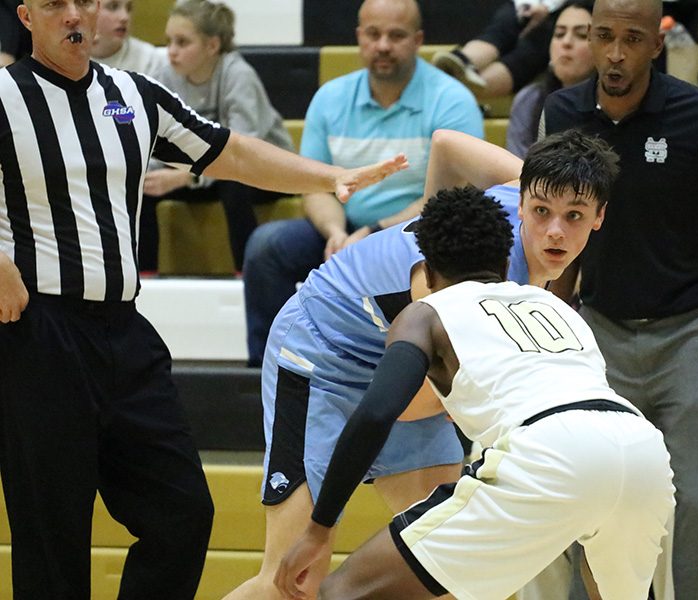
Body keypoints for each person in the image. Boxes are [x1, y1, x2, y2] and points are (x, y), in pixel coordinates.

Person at [0, 0, 406, 597]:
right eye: (56, 3)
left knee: (182, 513)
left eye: (84, 0)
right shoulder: (5, 96)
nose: (74, 14)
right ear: (27, 14)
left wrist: (324, 177)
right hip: (38, 334)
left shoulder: (132, 93)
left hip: (124, 332)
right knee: (52, 536)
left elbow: (231, 150)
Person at [223, 128, 620, 600]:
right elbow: (402, 405)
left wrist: (436, 217)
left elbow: (448, 144)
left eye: (574, 215)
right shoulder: (456, 288)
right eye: (542, 212)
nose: (556, 228)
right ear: (522, 203)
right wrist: (435, 236)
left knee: (449, 571)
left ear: (598, 215)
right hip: (320, 353)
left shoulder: (546, 188)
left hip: (401, 360)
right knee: (291, 582)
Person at [271, 186, 676, 600]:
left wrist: (319, 529)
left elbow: (377, 414)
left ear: (426, 271)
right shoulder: (552, 305)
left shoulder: (426, 313)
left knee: (342, 592)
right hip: (643, 451)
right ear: (506, 261)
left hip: (549, 453)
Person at [541, 0, 698, 598]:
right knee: (590, 496)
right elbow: (557, 238)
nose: (615, 54)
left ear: (656, 44)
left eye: (631, 39)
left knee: (697, 500)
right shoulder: (561, 113)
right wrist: (551, 332)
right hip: (601, 333)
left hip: (694, 333)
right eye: (604, 37)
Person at [241, 0, 483, 367]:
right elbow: (316, 184)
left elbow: (451, 196)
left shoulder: (452, 100)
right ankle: (269, 367)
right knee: (266, 248)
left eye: (396, 35)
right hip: (345, 229)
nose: (383, 45)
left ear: (418, 40)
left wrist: (373, 232)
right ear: (359, 37)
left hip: (417, 234)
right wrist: (335, 231)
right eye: (373, 34)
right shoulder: (330, 98)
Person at [139, 0, 295, 271]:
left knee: (233, 180)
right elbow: (153, 140)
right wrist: (146, 172)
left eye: (182, 42)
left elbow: (241, 153)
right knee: (144, 184)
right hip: (203, 174)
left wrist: (185, 176)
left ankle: (246, 274)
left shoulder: (239, 75)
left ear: (212, 46)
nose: (171, 51)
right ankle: (146, 275)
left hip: (262, 173)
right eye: (169, 41)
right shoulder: (165, 76)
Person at [506, 0, 595, 158]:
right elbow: (516, 169)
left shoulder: (613, 103)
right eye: (559, 34)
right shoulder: (529, 99)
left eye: (581, 35)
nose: (566, 43)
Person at [432, 0, 566, 98]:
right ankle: (460, 61)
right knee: (500, 30)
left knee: (530, 50)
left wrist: (548, 6)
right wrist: (527, 5)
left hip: (563, 11)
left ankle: (461, 86)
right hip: (523, 5)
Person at [90, 0, 166, 76]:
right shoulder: (78, 55)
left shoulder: (149, 59)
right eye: (113, 7)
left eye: (129, 8)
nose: (125, 17)